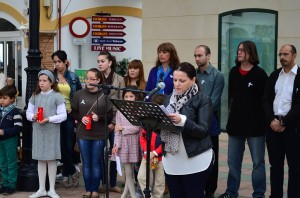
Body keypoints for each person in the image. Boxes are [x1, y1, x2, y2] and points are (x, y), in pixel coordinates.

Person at [219, 40, 268, 198]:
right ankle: (231, 192)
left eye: (242, 50)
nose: (238, 52)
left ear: (250, 53)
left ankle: (259, 194)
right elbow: (232, 97)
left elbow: (265, 100)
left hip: (256, 127)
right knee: (232, 163)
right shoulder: (233, 72)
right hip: (235, 126)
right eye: (238, 50)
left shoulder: (260, 74)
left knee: (258, 163)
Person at [161, 62, 213, 198]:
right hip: (172, 160)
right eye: (175, 80)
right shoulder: (168, 99)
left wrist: (183, 121)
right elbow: (163, 131)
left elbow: (203, 131)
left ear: (193, 80)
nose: (177, 84)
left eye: (182, 81)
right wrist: (154, 123)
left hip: (195, 160)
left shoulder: (203, 99)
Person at [262, 44, 300, 198]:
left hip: (293, 129)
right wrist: (272, 120)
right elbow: (265, 100)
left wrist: (284, 122)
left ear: (294, 55)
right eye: (280, 54)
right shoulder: (274, 75)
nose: (282, 57)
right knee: (275, 166)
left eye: (286, 54)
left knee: (295, 167)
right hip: (273, 127)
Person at [71, 68, 113, 198]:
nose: (89, 81)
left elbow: (110, 115)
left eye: (92, 79)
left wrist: (99, 118)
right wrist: (79, 118)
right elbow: (73, 112)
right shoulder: (79, 94)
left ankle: (95, 189)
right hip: (83, 133)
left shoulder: (105, 95)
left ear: (99, 80)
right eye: (87, 78)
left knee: (96, 162)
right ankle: (88, 189)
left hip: (99, 134)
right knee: (86, 162)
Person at [26, 70, 67, 198]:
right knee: (41, 159)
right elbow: (28, 112)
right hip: (38, 130)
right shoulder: (35, 96)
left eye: (44, 80)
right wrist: (33, 116)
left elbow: (63, 115)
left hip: (52, 131)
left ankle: (52, 189)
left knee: (51, 158)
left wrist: (49, 119)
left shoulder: (57, 96)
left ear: (51, 82)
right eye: (40, 80)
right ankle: (42, 189)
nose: (41, 83)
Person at [194, 45, 225, 198]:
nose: (197, 58)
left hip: (210, 123)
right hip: (193, 123)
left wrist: (194, 110)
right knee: (196, 155)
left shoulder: (217, 75)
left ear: (209, 56)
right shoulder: (192, 74)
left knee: (211, 157)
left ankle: (210, 190)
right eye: (195, 56)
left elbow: (214, 101)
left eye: (200, 55)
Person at [52, 50, 82, 188]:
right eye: (55, 62)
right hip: (55, 114)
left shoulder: (73, 77)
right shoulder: (50, 77)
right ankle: (70, 171)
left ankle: (66, 173)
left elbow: (79, 95)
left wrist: (75, 109)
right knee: (59, 144)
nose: (57, 64)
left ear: (65, 62)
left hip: (69, 115)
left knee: (68, 144)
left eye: (59, 61)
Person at [97, 51, 125, 194]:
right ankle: (103, 182)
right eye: (98, 61)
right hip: (99, 120)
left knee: (115, 152)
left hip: (115, 120)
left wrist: (114, 122)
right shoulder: (97, 78)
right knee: (100, 153)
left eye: (102, 61)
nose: (100, 64)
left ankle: (113, 183)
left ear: (110, 62)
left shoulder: (119, 79)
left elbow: (121, 102)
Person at [111, 86, 143, 198]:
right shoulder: (120, 111)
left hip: (135, 143)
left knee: (133, 171)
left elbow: (137, 128)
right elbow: (116, 131)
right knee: (128, 172)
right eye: (126, 96)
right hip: (123, 144)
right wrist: (116, 145)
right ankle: (132, 195)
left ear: (136, 97)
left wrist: (122, 128)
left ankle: (125, 194)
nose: (128, 98)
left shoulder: (139, 110)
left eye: (131, 96)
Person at [137, 94, 165, 198]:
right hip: (148, 155)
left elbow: (166, 141)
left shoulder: (165, 122)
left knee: (159, 181)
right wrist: (147, 150)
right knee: (142, 177)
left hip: (160, 157)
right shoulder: (148, 120)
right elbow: (143, 137)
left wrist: (155, 152)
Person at [0, 85, 22, 195]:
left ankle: (11, 185)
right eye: (0, 98)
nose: (1, 100)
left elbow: (18, 127)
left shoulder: (15, 112)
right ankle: (4, 183)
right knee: (2, 163)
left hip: (10, 140)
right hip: (1, 141)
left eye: (5, 98)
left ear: (12, 99)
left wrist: (4, 132)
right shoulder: (0, 111)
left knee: (11, 163)